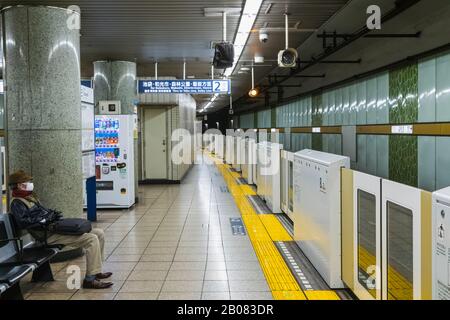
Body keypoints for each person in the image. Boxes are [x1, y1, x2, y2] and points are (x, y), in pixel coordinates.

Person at [8, 170, 113, 289]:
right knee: (91, 239)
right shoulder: (17, 202)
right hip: (46, 235)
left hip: (52, 230)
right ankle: (90, 279)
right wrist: (44, 220)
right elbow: (23, 223)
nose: (29, 183)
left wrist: (49, 215)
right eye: (26, 181)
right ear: (19, 185)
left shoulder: (30, 197)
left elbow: (41, 213)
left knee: (99, 233)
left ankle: (96, 270)